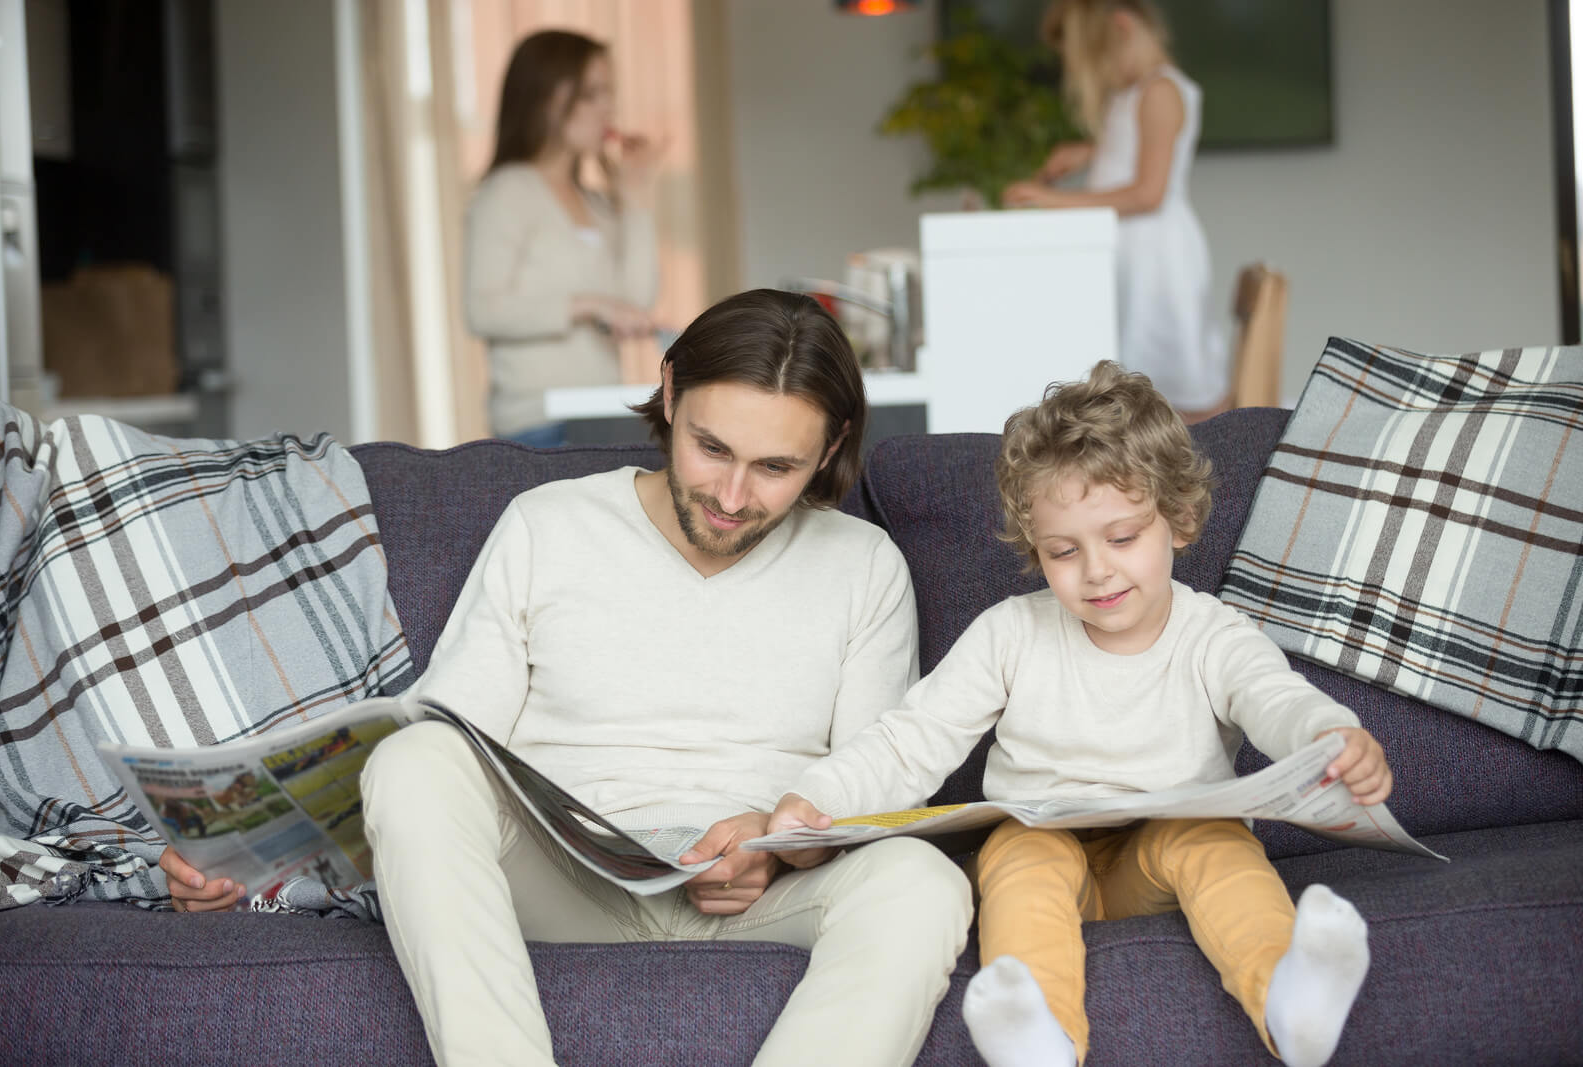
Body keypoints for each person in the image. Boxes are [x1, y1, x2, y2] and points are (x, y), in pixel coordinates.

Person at [348, 288, 966, 1067]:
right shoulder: (549, 524)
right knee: (414, 757)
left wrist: (780, 847)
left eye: (775, 467)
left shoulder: (864, 565)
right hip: (567, 878)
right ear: (671, 391)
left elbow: (871, 791)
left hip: (761, 894)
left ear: (832, 443)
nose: (732, 497)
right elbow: (452, 739)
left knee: (920, 879)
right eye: (713, 448)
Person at [770, 361, 1390, 1067]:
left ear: (1179, 520)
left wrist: (1328, 737)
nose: (1096, 570)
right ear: (1037, 548)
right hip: (1044, 847)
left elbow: (1274, 697)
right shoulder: (1011, 632)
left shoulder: (1215, 634)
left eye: (1122, 538)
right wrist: (817, 800)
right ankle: (1042, 1042)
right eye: (1064, 551)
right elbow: (914, 738)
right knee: (1018, 853)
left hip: (1157, 865)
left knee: (1213, 839)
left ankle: (1290, 1000)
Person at [1002, 0, 1227, 421]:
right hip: (1136, 259)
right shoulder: (1132, 94)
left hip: (1159, 264)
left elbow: (1148, 193)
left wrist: (1053, 200)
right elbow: (1131, 149)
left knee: (1182, 394)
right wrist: (1088, 152)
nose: (1100, 72)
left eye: (1097, 56)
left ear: (1122, 27)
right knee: (1142, 392)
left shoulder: (1161, 91)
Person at [466, 29, 662, 445]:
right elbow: (483, 310)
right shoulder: (507, 192)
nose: (609, 108)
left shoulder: (596, 203)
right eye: (592, 94)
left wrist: (637, 198)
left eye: (609, 93)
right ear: (545, 100)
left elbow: (636, 303)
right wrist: (588, 305)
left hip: (599, 413)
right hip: (537, 423)